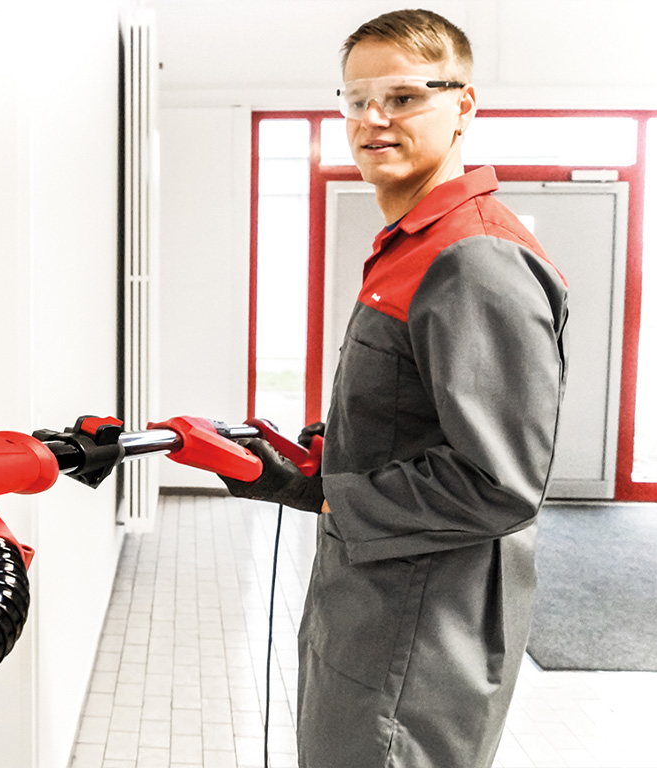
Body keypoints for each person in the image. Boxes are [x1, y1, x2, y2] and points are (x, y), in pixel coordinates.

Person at [222, 8, 568, 767]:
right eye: (355, 99)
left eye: (404, 97)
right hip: (374, 609)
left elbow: (496, 484)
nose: (372, 118)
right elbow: (413, 425)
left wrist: (325, 494)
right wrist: (306, 459)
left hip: (420, 640)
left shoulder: (473, 258)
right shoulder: (412, 245)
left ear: (463, 105)